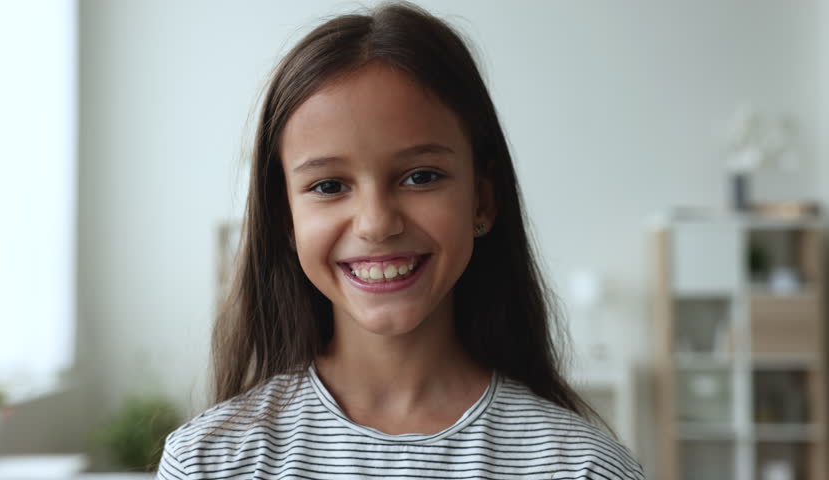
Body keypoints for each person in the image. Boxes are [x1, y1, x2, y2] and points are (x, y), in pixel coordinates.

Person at [157, 2, 644, 479]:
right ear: (286, 218)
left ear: (482, 200)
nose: (375, 223)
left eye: (421, 176)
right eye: (329, 186)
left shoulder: (583, 467)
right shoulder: (208, 460)